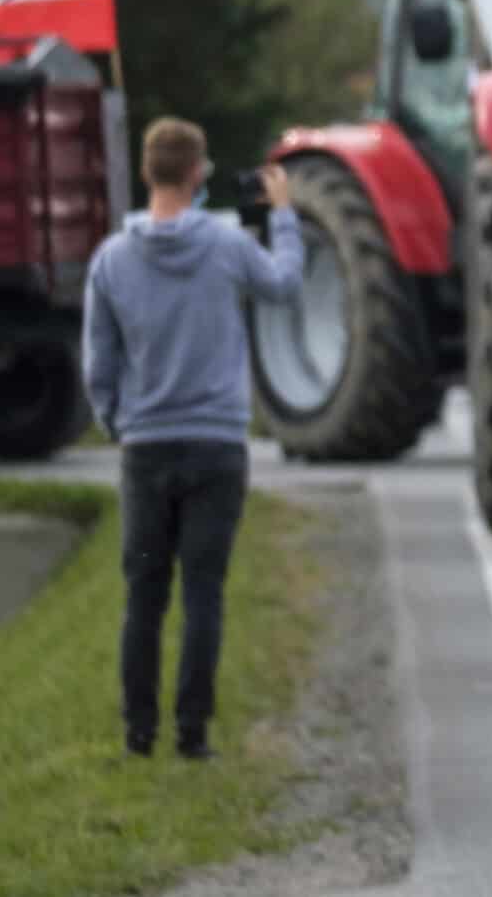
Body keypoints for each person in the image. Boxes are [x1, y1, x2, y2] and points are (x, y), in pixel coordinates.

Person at [83, 120, 304, 760]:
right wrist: (283, 216)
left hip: (146, 446)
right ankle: (193, 733)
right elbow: (285, 285)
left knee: (143, 597)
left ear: (149, 173)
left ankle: (138, 732)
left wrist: (117, 422)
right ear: (198, 174)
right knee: (203, 592)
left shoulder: (111, 260)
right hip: (215, 447)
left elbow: (99, 364)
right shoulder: (228, 246)